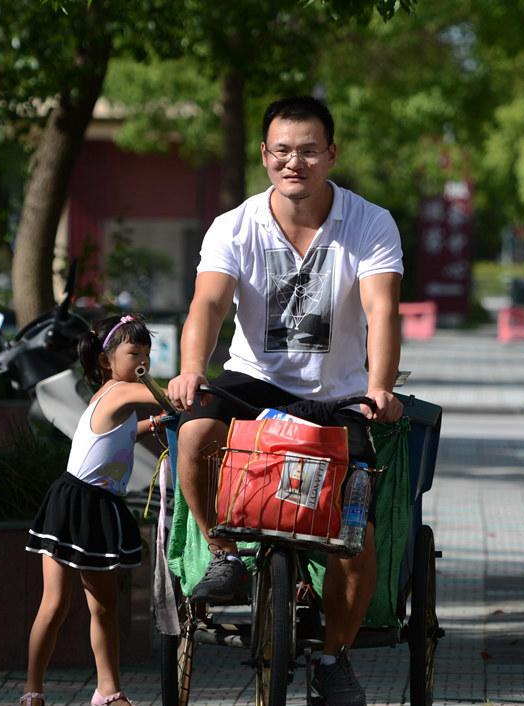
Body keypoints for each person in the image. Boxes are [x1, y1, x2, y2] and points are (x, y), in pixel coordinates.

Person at [165, 95, 403, 706]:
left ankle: (333, 658)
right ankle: (222, 551)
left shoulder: (370, 223)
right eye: (281, 151)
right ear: (264, 155)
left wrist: (380, 387)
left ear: (330, 153)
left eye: (307, 150)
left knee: (355, 537)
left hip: (339, 393)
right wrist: (192, 370)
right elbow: (209, 306)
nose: (293, 162)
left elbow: (381, 309)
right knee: (193, 434)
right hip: (254, 384)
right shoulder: (234, 226)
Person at [21, 314, 166, 706]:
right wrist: (192, 387)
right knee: (93, 607)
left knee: (64, 605)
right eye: (135, 353)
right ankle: (106, 691)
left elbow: (115, 435)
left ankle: (36, 691)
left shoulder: (110, 396)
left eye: (148, 355)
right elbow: (169, 396)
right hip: (86, 504)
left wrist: (150, 425)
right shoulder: (122, 391)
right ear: (106, 361)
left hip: (70, 498)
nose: (144, 363)